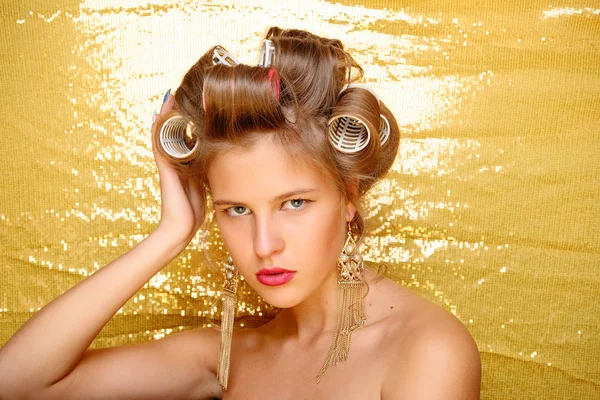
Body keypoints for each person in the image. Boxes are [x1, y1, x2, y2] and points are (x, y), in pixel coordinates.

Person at [0, 27, 481, 399]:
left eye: (295, 203)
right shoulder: (228, 355)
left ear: (349, 193)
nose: (264, 244)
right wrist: (170, 234)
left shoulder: (425, 350)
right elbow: (18, 385)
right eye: (236, 210)